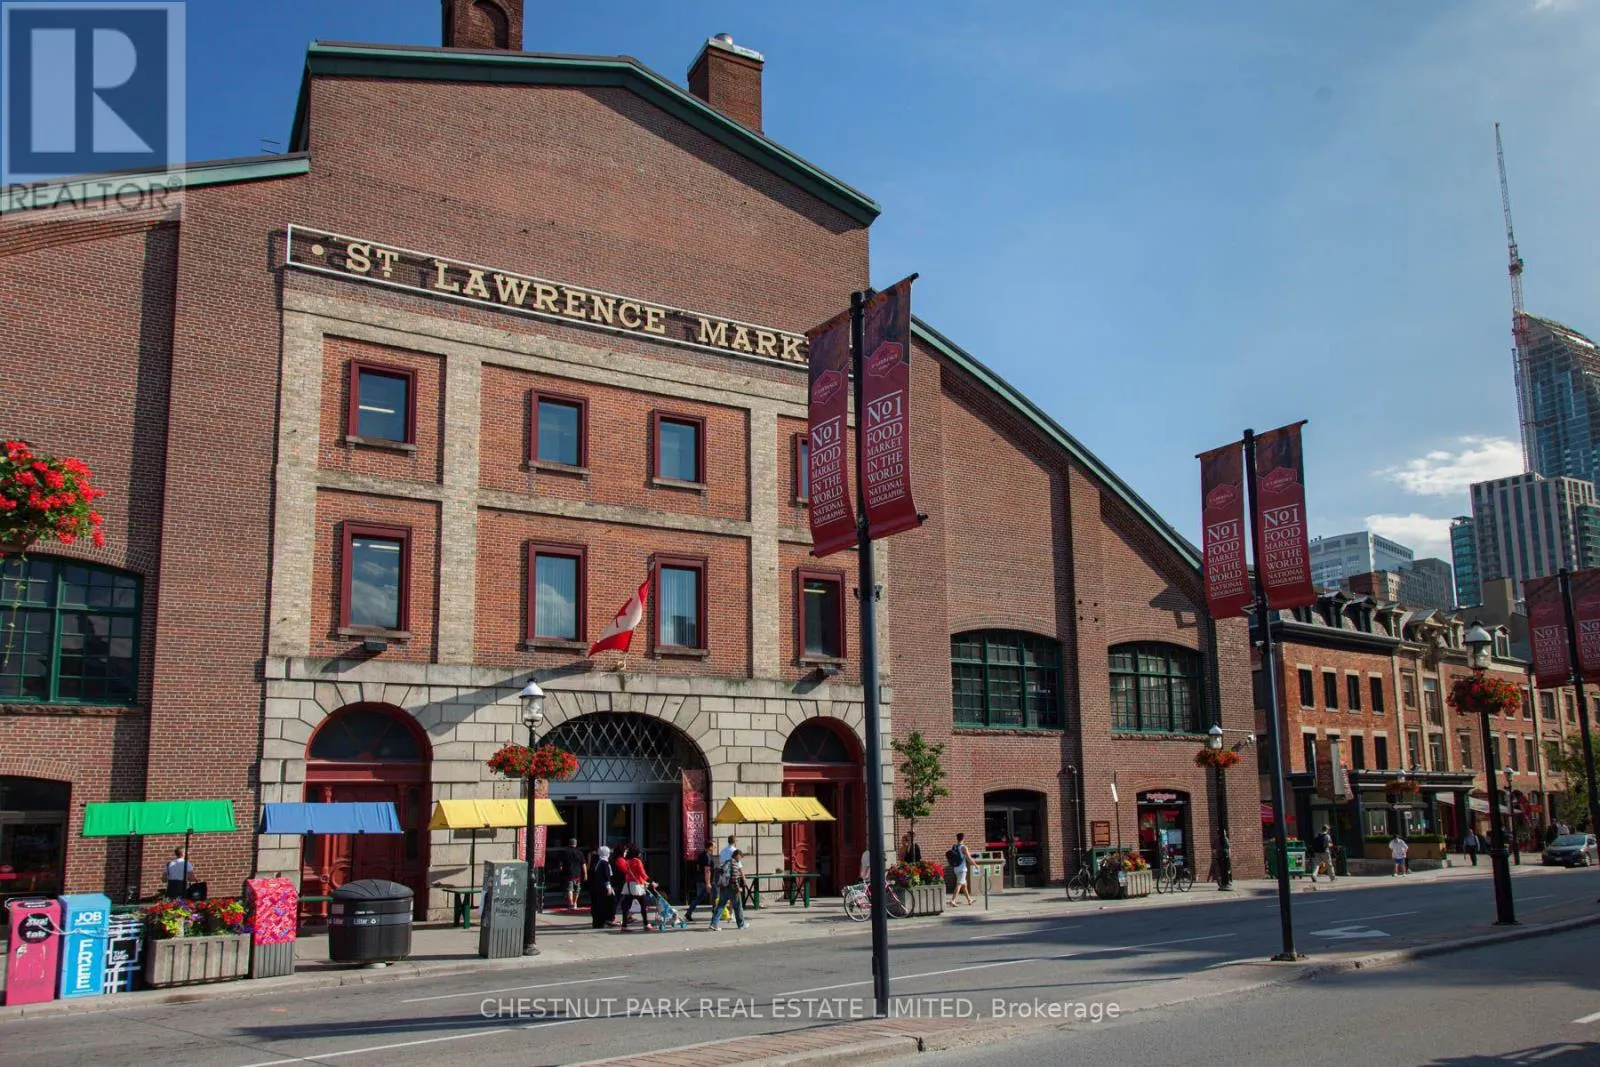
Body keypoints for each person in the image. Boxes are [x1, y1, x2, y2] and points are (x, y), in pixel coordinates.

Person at [709, 847, 748, 931]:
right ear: (737, 855)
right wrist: (738, 888)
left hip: (723, 887)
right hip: (732, 888)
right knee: (738, 906)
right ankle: (741, 925)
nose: (740, 859)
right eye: (740, 857)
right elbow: (734, 877)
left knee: (720, 906)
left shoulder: (727, 862)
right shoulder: (734, 863)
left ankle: (713, 924)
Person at [619, 846, 651, 931]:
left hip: (628, 885)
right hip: (636, 886)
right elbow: (642, 873)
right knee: (643, 905)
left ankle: (624, 926)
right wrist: (650, 881)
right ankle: (646, 924)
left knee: (626, 906)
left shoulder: (628, 861)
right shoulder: (637, 861)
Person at [686, 840, 717, 922]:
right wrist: (708, 883)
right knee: (715, 896)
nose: (715, 847)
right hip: (708, 880)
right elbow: (707, 870)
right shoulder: (707, 857)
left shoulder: (702, 855)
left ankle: (689, 912)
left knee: (701, 897)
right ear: (710, 847)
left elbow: (699, 867)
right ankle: (715, 915)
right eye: (714, 846)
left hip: (704, 879)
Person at [587, 846, 617, 929]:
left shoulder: (597, 861)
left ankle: (598, 922)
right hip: (603, 887)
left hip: (596, 887)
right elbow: (606, 875)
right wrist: (609, 887)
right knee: (607, 903)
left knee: (597, 904)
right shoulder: (604, 863)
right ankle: (606, 920)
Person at [947, 833, 975, 906]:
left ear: (957, 838)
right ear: (963, 838)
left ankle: (969, 900)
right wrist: (975, 865)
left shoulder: (955, 847)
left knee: (964, 885)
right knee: (959, 884)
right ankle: (953, 900)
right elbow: (968, 858)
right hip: (962, 869)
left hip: (956, 868)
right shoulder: (964, 847)